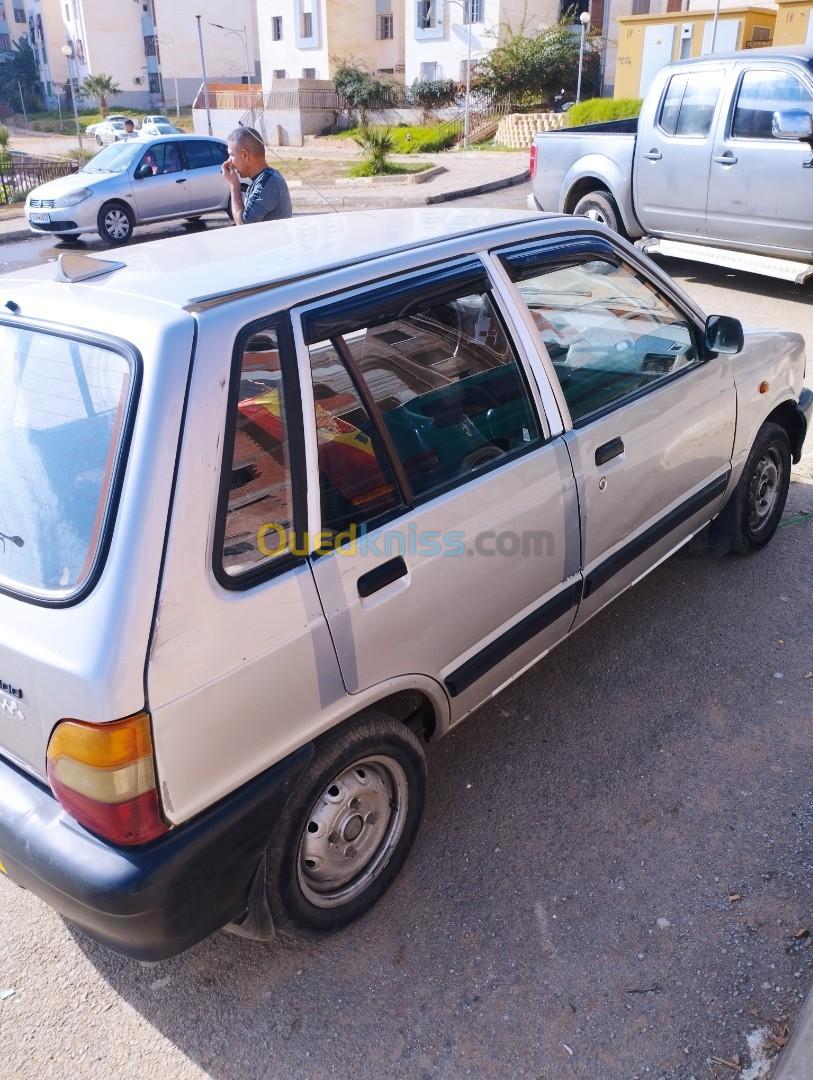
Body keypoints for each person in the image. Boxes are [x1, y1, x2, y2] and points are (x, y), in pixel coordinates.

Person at [221, 126, 292, 226]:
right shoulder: (264, 180)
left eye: (231, 155)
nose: (229, 161)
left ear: (245, 155)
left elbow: (244, 225)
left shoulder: (268, 183)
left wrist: (234, 185)